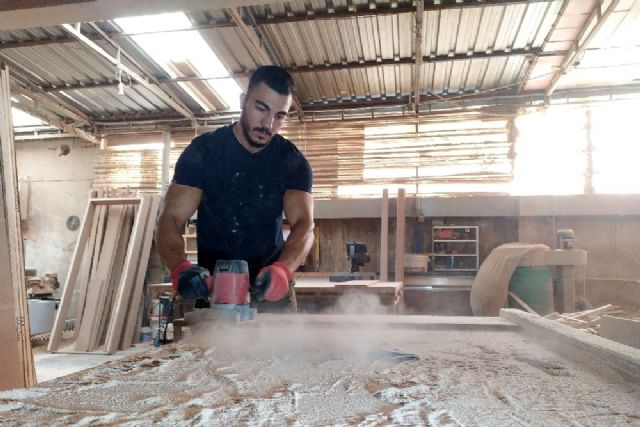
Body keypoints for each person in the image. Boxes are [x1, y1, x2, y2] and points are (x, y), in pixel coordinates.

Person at [155, 65, 314, 313]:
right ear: (243, 101)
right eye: (261, 108)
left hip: (271, 287)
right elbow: (170, 220)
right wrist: (179, 267)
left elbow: (304, 225)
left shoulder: (292, 162)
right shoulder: (203, 153)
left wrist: (283, 269)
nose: (268, 123)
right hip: (214, 290)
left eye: (280, 115)